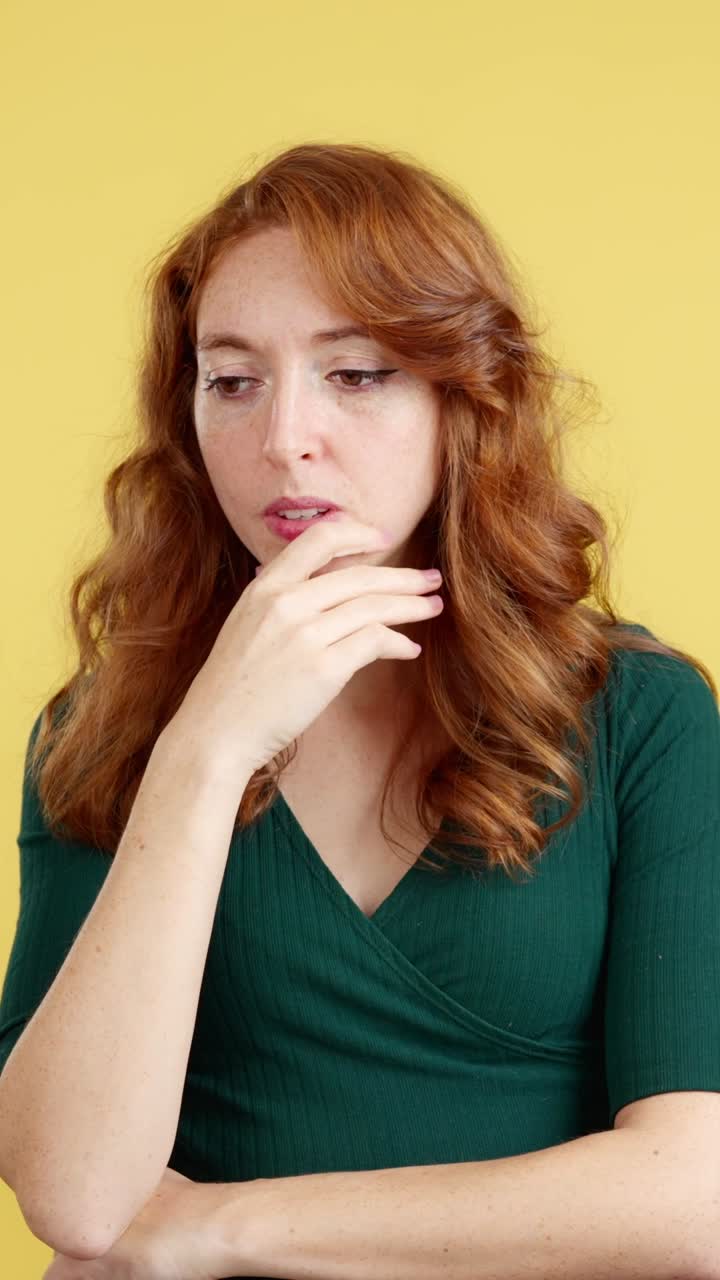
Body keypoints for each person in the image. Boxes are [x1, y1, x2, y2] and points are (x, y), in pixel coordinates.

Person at [0, 142, 718, 1278]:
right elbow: (77, 1193)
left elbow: (694, 1194)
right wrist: (206, 746)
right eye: (232, 380)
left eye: (358, 373)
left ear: (463, 396)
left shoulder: (641, 716)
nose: (284, 436)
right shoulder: (113, 728)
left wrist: (221, 1227)